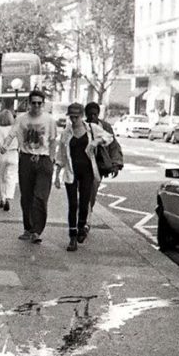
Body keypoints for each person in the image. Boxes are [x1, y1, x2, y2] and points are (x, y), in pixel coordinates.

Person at [0, 90, 57, 243]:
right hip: (26, 159)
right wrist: (4, 145)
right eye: (34, 103)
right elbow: (12, 133)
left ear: (43, 104)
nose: (36, 106)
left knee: (40, 197)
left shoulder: (49, 120)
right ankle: (28, 228)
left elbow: (53, 141)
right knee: (26, 196)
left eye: (39, 103)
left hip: (43, 160)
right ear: (29, 103)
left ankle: (37, 231)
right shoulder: (22, 118)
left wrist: (52, 158)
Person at [55, 102, 113, 252]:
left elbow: (109, 138)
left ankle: (82, 227)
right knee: (72, 204)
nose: (73, 120)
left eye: (76, 117)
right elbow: (61, 155)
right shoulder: (66, 132)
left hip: (87, 171)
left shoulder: (91, 129)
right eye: (71, 117)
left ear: (81, 116)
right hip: (71, 172)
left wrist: (96, 142)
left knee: (84, 202)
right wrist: (56, 175)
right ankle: (72, 237)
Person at [84, 102, 123, 213]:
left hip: (99, 166)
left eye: (95, 114)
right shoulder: (82, 126)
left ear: (98, 114)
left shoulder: (105, 127)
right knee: (82, 194)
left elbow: (114, 146)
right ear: (86, 114)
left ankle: (86, 218)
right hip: (83, 165)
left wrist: (116, 164)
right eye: (90, 114)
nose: (92, 117)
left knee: (92, 193)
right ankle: (82, 218)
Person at [0, 109, 17, 211]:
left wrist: (0, 148)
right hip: (13, 153)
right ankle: (8, 198)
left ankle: (2, 198)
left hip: (1, 154)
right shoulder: (15, 129)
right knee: (11, 177)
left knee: (1, 177)